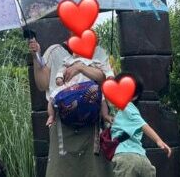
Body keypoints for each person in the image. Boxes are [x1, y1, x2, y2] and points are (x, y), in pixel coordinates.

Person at [29, 37, 114, 177]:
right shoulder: (54, 51)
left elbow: (105, 77)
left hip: (91, 122)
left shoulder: (98, 52)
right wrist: (35, 56)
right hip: (62, 120)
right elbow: (42, 84)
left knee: (94, 170)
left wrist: (80, 67)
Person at [108, 72, 172, 177]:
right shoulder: (127, 111)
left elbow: (143, 125)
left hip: (126, 160)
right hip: (143, 160)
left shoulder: (126, 107)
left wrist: (158, 141)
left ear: (134, 97)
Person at [46, 53, 112, 127]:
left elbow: (105, 70)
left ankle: (105, 115)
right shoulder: (69, 61)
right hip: (71, 85)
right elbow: (62, 70)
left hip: (87, 85)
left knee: (101, 98)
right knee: (52, 97)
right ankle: (51, 116)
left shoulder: (94, 62)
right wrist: (59, 78)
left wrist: (109, 75)